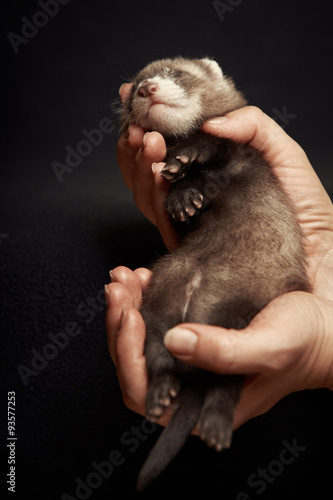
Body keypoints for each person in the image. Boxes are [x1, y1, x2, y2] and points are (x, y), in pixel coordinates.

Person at [105, 86, 333, 430]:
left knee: (221, 321)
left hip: (255, 268)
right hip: (209, 259)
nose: (150, 86)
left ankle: (198, 395)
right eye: (139, 88)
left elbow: (224, 159)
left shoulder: (233, 148)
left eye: (174, 75)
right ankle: (166, 376)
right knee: (159, 306)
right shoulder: (175, 158)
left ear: (214, 79)